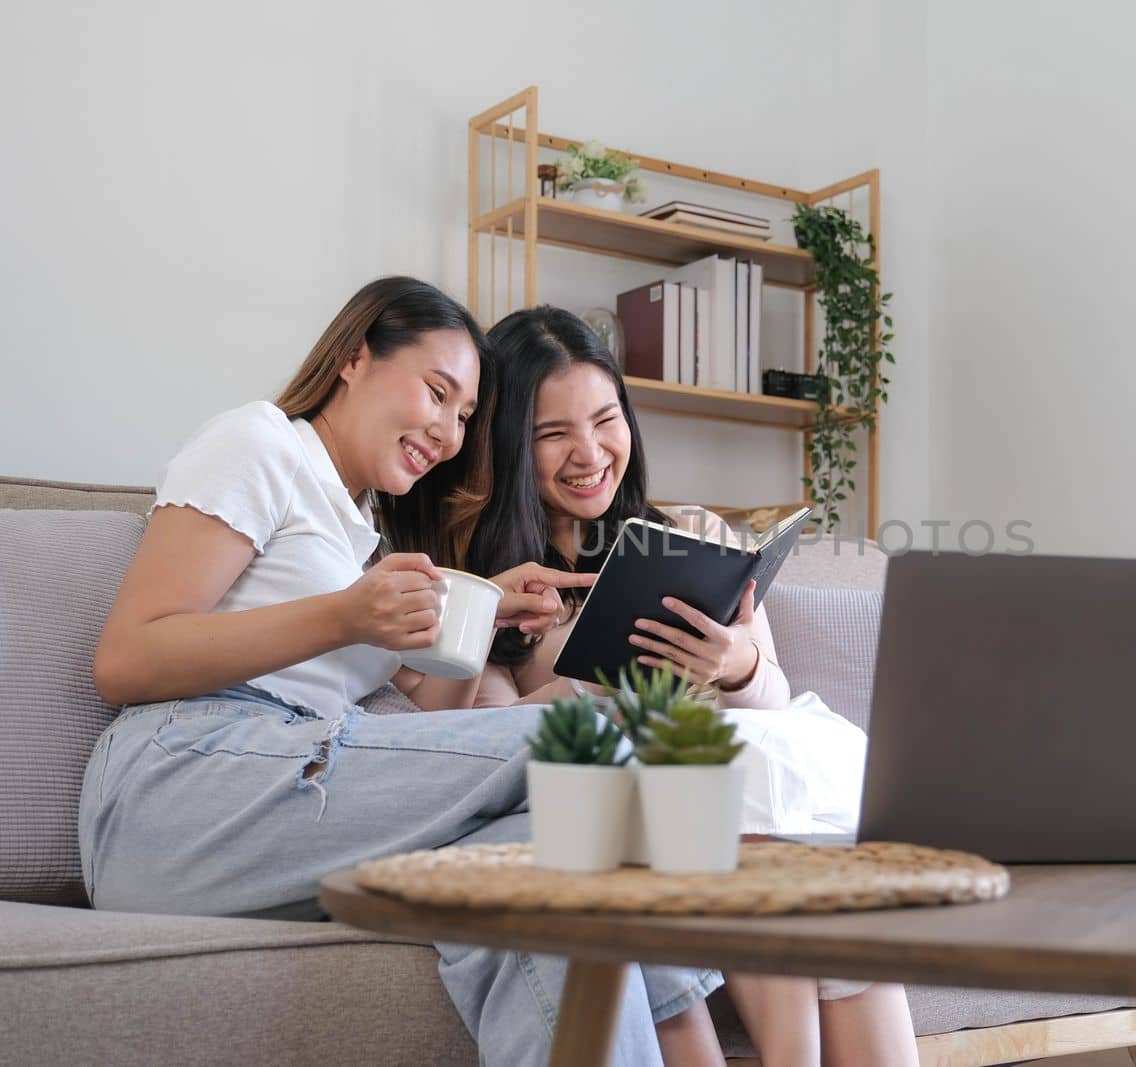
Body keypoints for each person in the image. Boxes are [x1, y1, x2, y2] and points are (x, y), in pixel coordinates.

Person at [79, 277, 722, 1067]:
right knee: (595, 738)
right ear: (355, 357)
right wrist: (346, 615)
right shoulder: (261, 443)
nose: (448, 432)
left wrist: (480, 615)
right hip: (175, 787)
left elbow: (424, 728)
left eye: (463, 416)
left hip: (285, 797)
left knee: (544, 862)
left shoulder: (365, 536)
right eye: (437, 392)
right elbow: (126, 658)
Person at [466, 305, 919, 1066]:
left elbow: (774, 702)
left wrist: (736, 664)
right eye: (553, 435)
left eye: (606, 420)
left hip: (755, 801)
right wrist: (601, 687)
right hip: (640, 806)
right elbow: (481, 753)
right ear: (513, 444)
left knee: (770, 783)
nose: (590, 452)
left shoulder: (697, 534)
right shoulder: (502, 594)